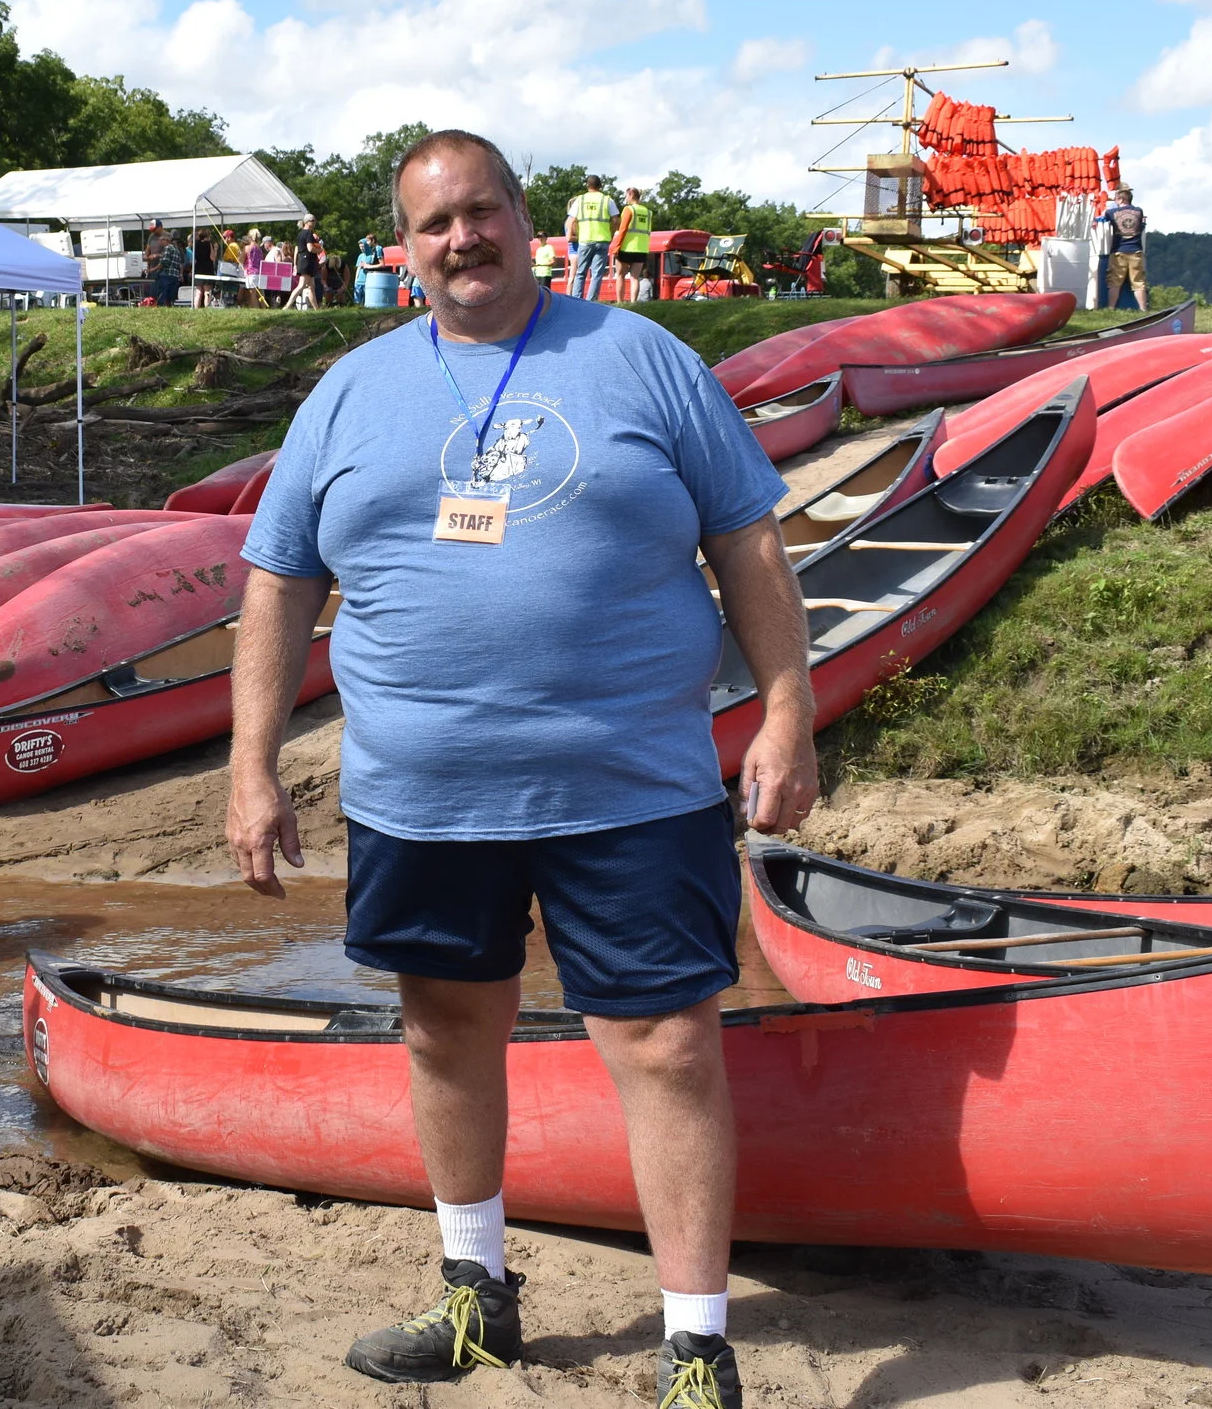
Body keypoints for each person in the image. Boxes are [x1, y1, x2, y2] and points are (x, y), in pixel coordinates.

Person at [227, 128, 819, 1408]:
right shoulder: (348, 389)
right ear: (404, 245)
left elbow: (751, 544)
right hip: (420, 788)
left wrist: (787, 712)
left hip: (632, 780)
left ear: (526, 218)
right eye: (434, 222)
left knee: (665, 1043)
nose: (462, 239)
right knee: (445, 1030)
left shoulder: (640, 357)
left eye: (481, 211)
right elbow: (278, 580)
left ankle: (696, 1350)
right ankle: (473, 1296)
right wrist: (250, 764)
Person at [569, 174, 616, 303]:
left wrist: (578, 234)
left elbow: (572, 221)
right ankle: (591, 301)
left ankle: (577, 300)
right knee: (597, 274)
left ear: (587, 185)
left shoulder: (580, 200)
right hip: (602, 240)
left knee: (581, 272)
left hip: (585, 240)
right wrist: (611, 234)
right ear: (600, 186)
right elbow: (616, 219)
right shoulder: (607, 200)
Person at [1101, 188, 1149, 311]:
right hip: (1136, 251)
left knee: (1114, 282)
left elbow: (1104, 215)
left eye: (1117, 199)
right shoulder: (1139, 211)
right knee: (1139, 283)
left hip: (1119, 251)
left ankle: (1111, 308)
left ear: (1121, 199)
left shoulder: (1112, 212)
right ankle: (1143, 309)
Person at [614, 185, 657, 302]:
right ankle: (633, 303)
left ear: (631, 195)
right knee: (635, 278)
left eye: (626, 196)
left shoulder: (629, 209)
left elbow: (622, 229)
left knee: (620, 275)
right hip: (642, 249)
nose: (626, 199)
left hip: (626, 247)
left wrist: (616, 246)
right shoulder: (648, 212)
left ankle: (620, 302)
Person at [291, 216, 324, 310]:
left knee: (311, 287)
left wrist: (296, 264)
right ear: (307, 222)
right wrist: (319, 250)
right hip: (307, 262)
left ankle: (316, 309)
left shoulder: (300, 234)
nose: (315, 222)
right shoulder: (309, 233)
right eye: (313, 220)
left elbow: (297, 249)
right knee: (301, 286)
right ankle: (287, 306)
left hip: (303, 261)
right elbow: (310, 248)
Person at [148, 230, 187, 306]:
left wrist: (152, 269)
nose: (160, 242)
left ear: (166, 240)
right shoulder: (177, 250)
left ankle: (161, 308)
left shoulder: (168, 248)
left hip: (166, 275)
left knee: (163, 295)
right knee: (170, 297)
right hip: (175, 276)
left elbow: (164, 263)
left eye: (161, 240)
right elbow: (180, 264)